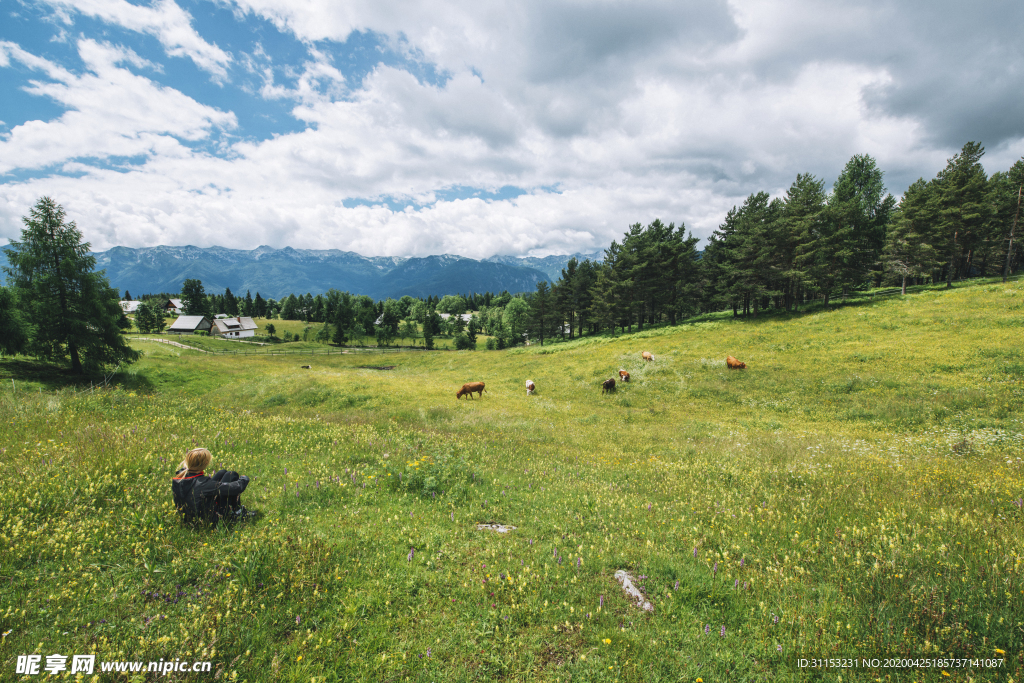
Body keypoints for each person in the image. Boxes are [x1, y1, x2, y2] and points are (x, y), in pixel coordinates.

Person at [171, 448, 257, 525]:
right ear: (206, 463)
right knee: (232, 475)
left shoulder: (179, 478)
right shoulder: (203, 483)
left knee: (222, 473)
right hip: (207, 520)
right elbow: (235, 488)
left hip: (188, 518)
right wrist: (244, 479)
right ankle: (238, 513)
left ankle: (236, 511)